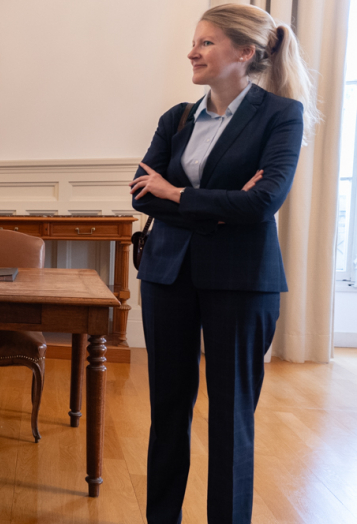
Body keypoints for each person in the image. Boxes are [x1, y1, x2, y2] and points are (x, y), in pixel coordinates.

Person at [128, 5, 318, 523]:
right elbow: (142, 195)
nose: (193, 51)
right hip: (168, 276)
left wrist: (180, 195)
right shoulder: (178, 117)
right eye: (195, 41)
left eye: (206, 43)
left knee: (232, 419)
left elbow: (264, 203)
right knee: (168, 412)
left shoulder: (281, 115)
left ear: (245, 52)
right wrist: (219, 203)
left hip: (241, 281)